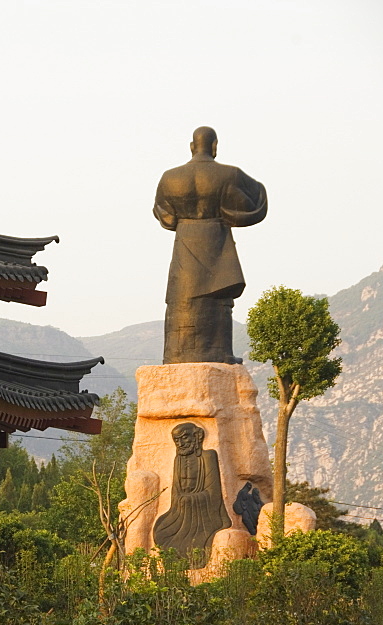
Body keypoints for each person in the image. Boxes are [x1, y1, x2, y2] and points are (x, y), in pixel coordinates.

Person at [153, 126, 267, 364]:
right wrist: (227, 209)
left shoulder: (169, 178)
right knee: (219, 302)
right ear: (214, 146)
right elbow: (257, 198)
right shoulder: (230, 174)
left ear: (192, 146)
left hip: (184, 241)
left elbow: (165, 215)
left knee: (181, 300)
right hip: (216, 241)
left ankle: (176, 354)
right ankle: (218, 352)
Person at [153, 422, 231, 562]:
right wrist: (180, 500)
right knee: (161, 532)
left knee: (196, 541)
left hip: (204, 512)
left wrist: (190, 499)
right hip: (180, 511)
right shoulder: (178, 460)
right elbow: (176, 491)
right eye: (176, 440)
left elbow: (213, 493)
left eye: (184, 438)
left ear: (197, 436)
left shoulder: (208, 456)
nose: (180, 443)